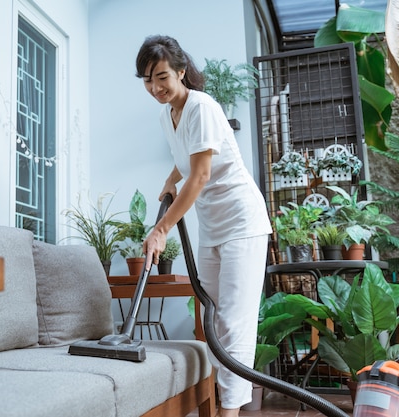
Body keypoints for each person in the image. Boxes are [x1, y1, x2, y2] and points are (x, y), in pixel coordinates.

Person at [135, 35, 272, 417]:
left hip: (242, 221)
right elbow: (187, 156)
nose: (155, 87)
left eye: (161, 76)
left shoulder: (202, 107)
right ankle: (214, 403)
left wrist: (161, 228)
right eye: (147, 80)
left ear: (181, 71)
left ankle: (228, 411)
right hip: (212, 225)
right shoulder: (168, 115)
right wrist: (169, 179)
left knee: (233, 322)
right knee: (209, 317)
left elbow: (200, 174)